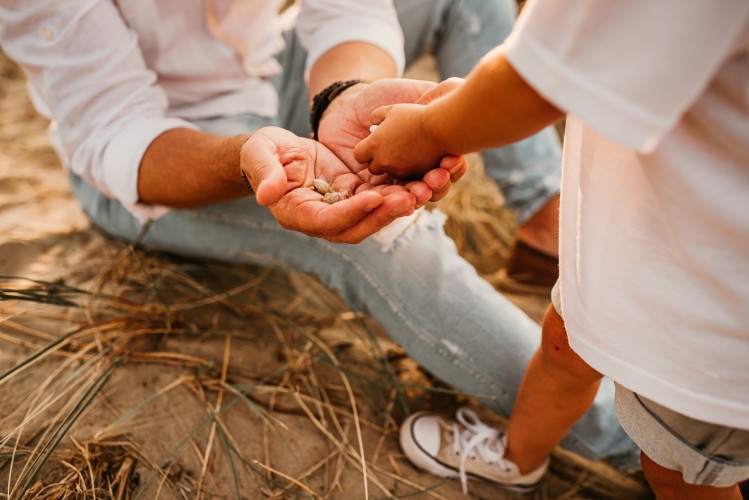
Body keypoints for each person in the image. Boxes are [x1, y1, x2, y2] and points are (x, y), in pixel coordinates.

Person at [0, 0, 638, 470]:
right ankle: (639, 444)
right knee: (385, 235)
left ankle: (539, 215)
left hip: (264, 78)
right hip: (154, 165)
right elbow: (116, 136)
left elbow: (346, 12)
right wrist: (248, 157)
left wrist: (343, 95)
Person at [356, 0, 749, 497]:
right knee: (565, 344)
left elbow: (535, 81)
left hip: (716, 302)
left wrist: (430, 130)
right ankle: (516, 460)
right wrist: (472, 102)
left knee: (681, 468)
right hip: (639, 234)